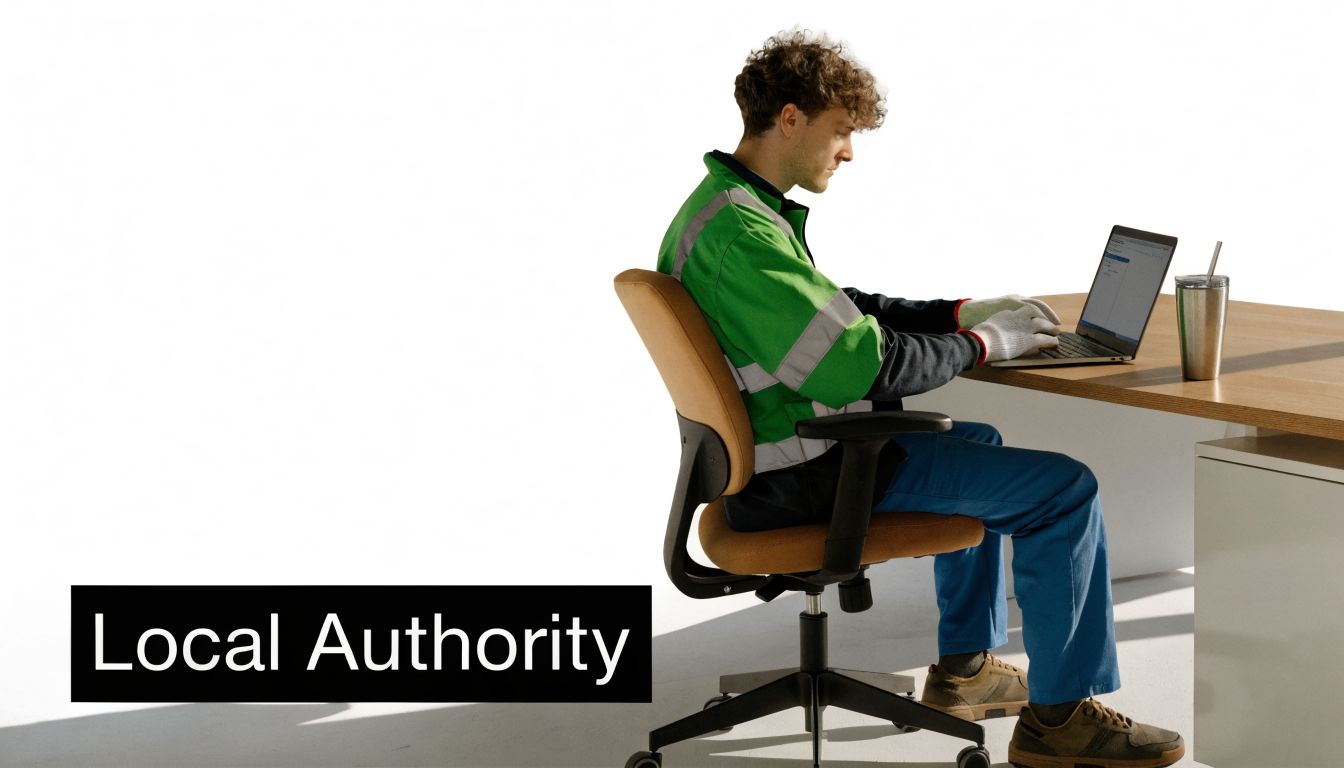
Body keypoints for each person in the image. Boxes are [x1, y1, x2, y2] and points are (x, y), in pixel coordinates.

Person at [656, 29, 1185, 768]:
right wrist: (987, 345)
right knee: (1065, 489)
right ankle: (1060, 722)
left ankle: (964, 672)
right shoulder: (743, 236)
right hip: (809, 475)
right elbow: (856, 364)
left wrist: (957, 312)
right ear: (789, 119)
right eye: (841, 131)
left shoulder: (731, 212)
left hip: (790, 461)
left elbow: (841, 307)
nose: (847, 151)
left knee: (986, 445)